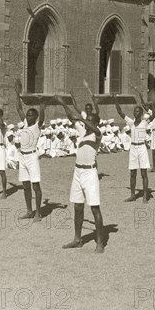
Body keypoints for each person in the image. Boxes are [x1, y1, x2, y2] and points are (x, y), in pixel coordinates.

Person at [57, 97, 106, 254]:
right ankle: (77, 239)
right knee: (77, 206)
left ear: (95, 122)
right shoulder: (83, 132)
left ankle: (100, 242)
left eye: (90, 120)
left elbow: (95, 129)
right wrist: (63, 103)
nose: (86, 122)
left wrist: (82, 119)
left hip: (90, 173)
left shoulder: (97, 135)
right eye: (87, 120)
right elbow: (72, 117)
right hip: (77, 172)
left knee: (94, 208)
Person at [14, 80, 47, 221]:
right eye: (27, 115)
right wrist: (17, 93)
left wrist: (41, 103)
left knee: (35, 185)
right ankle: (29, 211)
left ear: (36, 117)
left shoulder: (37, 126)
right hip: (22, 157)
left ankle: (38, 212)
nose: (27, 117)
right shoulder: (26, 124)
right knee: (25, 185)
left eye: (30, 115)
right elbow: (18, 108)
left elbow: (42, 116)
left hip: (32, 158)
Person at [114, 94, 150, 203]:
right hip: (133, 148)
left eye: (138, 112)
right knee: (132, 173)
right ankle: (132, 195)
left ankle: (145, 195)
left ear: (141, 114)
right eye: (135, 112)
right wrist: (115, 100)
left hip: (142, 148)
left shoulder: (145, 122)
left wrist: (151, 103)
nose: (136, 113)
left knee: (143, 173)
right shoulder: (131, 123)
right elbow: (120, 112)